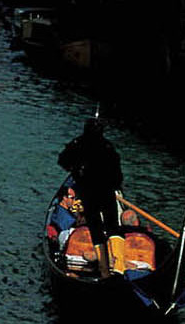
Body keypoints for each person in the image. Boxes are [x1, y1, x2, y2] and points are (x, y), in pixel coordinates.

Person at [58, 117, 124, 276]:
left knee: (96, 228)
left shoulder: (77, 144)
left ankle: (104, 271)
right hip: (106, 191)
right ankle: (119, 269)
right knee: (113, 226)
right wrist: (114, 186)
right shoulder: (108, 147)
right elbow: (118, 176)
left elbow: (62, 161)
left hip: (88, 191)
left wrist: (75, 170)